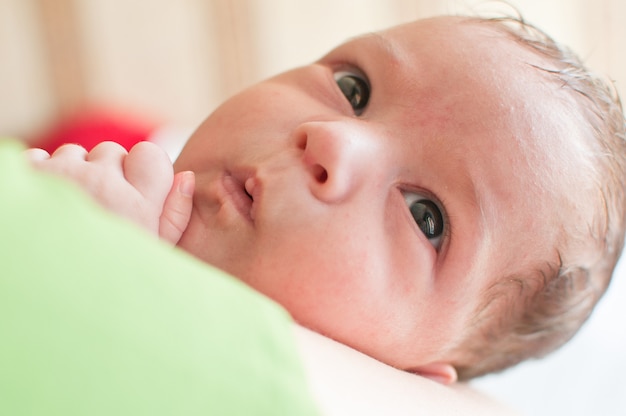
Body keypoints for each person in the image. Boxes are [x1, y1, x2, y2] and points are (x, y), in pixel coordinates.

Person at [26, 14, 626, 384]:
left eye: (428, 217)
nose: (333, 142)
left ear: (404, 381)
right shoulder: (90, 155)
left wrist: (99, 275)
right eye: (353, 87)